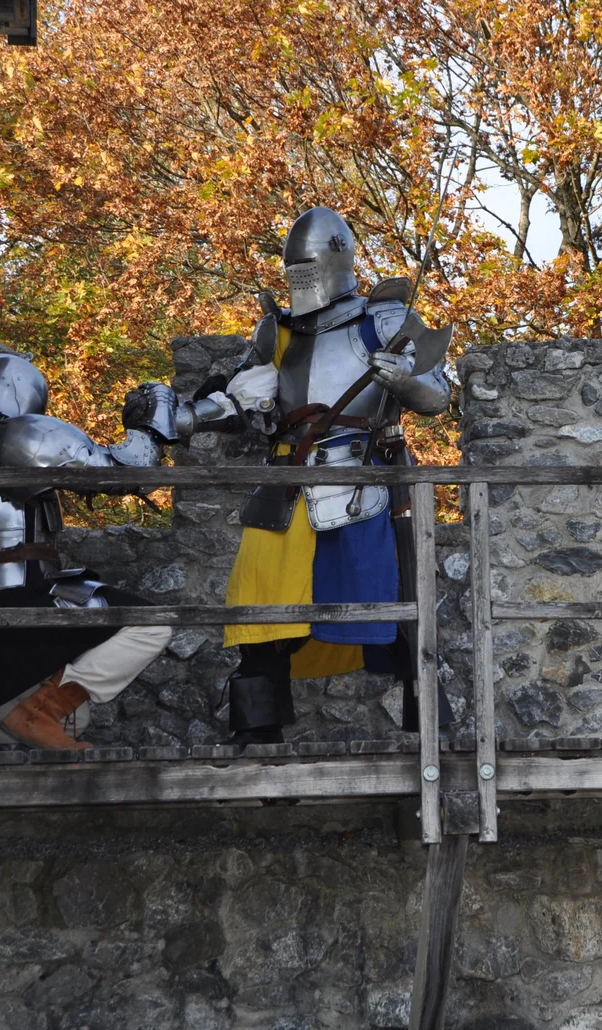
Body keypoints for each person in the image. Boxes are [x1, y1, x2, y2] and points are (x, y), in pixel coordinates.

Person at [145, 206, 454, 747]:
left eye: (307, 267)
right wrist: (191, 416)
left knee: (396, 607)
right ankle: (258, 735)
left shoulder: (383, 321)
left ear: (336, 260)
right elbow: (240, 396)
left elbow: (439, 396)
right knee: (258, 608)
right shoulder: (276, 330)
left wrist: (404, 380)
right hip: (285, 483)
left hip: (362, 485)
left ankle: (431, 733)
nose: (300, 280)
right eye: (293, 270)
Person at [0, 354, 176, 751]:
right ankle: (39, 711)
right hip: (11, 600)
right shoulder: (14, 435)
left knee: (75, 721)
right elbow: (127, 469)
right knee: (150, 623)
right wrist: (157, 420)